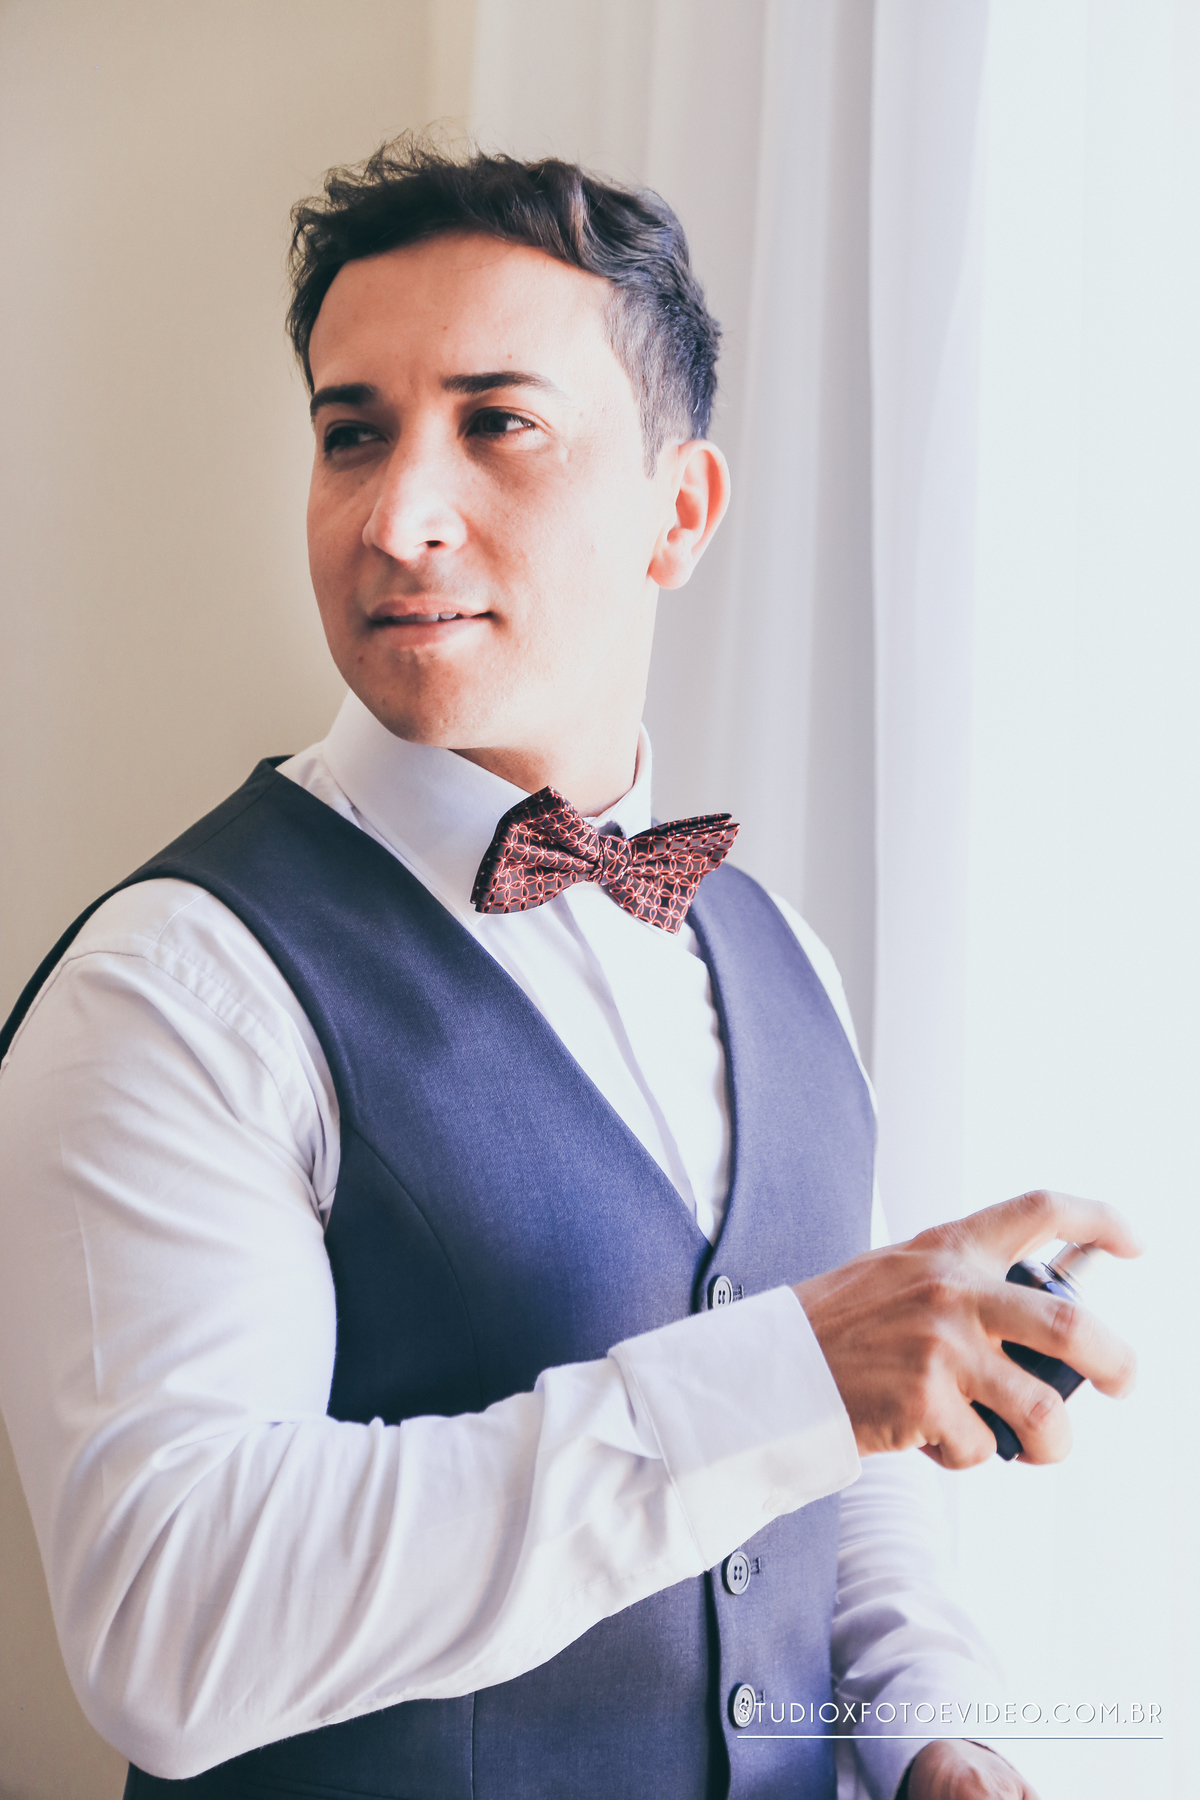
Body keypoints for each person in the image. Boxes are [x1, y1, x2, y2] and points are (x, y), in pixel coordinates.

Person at [0, 142, 1138, 1800]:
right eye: (352, 432)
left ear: (681, 509)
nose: (396, 518)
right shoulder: (170, 987)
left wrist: (922, 1730)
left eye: (496, 423)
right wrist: (789, 1371)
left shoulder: (784, 954)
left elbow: (850, 1462)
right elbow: (171, 1631)